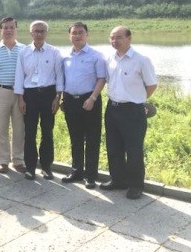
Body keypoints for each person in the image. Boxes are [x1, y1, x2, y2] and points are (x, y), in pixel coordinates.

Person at [101, 26, 157, 199]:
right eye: (112, 38)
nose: (114, 41)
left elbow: (152, 84)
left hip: (132, 111)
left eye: (118, 37)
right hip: (112, 108)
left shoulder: (141, 60)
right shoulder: (110, 59)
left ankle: (136, 185)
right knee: (113, 147)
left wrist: (138, 99)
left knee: (133, 150)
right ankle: (118, 180)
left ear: (129, 38)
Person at [14, 20, 63, 180]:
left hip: (49, 94)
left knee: (47, 132)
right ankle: (30, 167)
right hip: (30, 95)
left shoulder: (54, 52)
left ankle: (46, 167)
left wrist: (57, 97)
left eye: (42, 31)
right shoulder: (24, 52)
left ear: (46, 33)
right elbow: (19, 76)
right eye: (36, 31)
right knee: (30, 132)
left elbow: (59, 76)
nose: (39, 34)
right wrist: (20, 99)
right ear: (31, 33)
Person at [61, 22, 106, 189]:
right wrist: (63, 99)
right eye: (74, 33)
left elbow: (102, 78)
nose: (77, 36)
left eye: (80, 32)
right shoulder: (65, 56)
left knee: (92, 139)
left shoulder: (96, 56)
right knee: (75, 138)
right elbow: (63, 79)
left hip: (90, 100)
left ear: (87, 35)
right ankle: (76, 171)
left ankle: (90, 176)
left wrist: (93, 98)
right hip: (70, 100)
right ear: (69, 36)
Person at [0, 17, 26, 173]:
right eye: (5, 28)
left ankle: (18, 160)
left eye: (11, 27)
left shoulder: (24, 49)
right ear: (0, 30)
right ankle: (3, 161)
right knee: (0, 127)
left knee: (19, 128)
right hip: (0, 91)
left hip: (19, 93)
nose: (8, 30)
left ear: (16, 29)